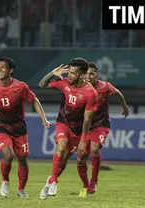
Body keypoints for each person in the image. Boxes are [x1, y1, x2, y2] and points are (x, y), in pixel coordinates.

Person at [0, 57, 50, 198]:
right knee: (8, 155)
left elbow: (34, 100)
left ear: (11, 70)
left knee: (22, 159)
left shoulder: (21, 86)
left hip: (19, 128)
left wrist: (44, 118)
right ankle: (5, 180)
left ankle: (21, 189)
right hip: (1, 127)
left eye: (3, 67)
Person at [38, 58, 98, 200]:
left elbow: (87, 119)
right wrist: (52, 73)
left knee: (67, 159)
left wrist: (83, 140)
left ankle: (53, 180)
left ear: (82, 75)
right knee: (62, 147)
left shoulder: (91, 93)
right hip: (63, 123)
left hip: (78, 130)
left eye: (72, 73)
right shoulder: (64, 83)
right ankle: (53, 181)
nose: (68, 75)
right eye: (68, 72)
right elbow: (42, 84)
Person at [78, 62, 129, 197]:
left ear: (97, 75)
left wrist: (124, 106)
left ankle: (93, 181)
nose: (89, 76)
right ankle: (85, 185)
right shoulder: (79, 88)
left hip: (101, 125)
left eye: (92, 73)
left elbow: (117, 93)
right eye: (87, 73)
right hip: (85, 127)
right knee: (81, 158)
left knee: (94, 149)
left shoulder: (104, 86)